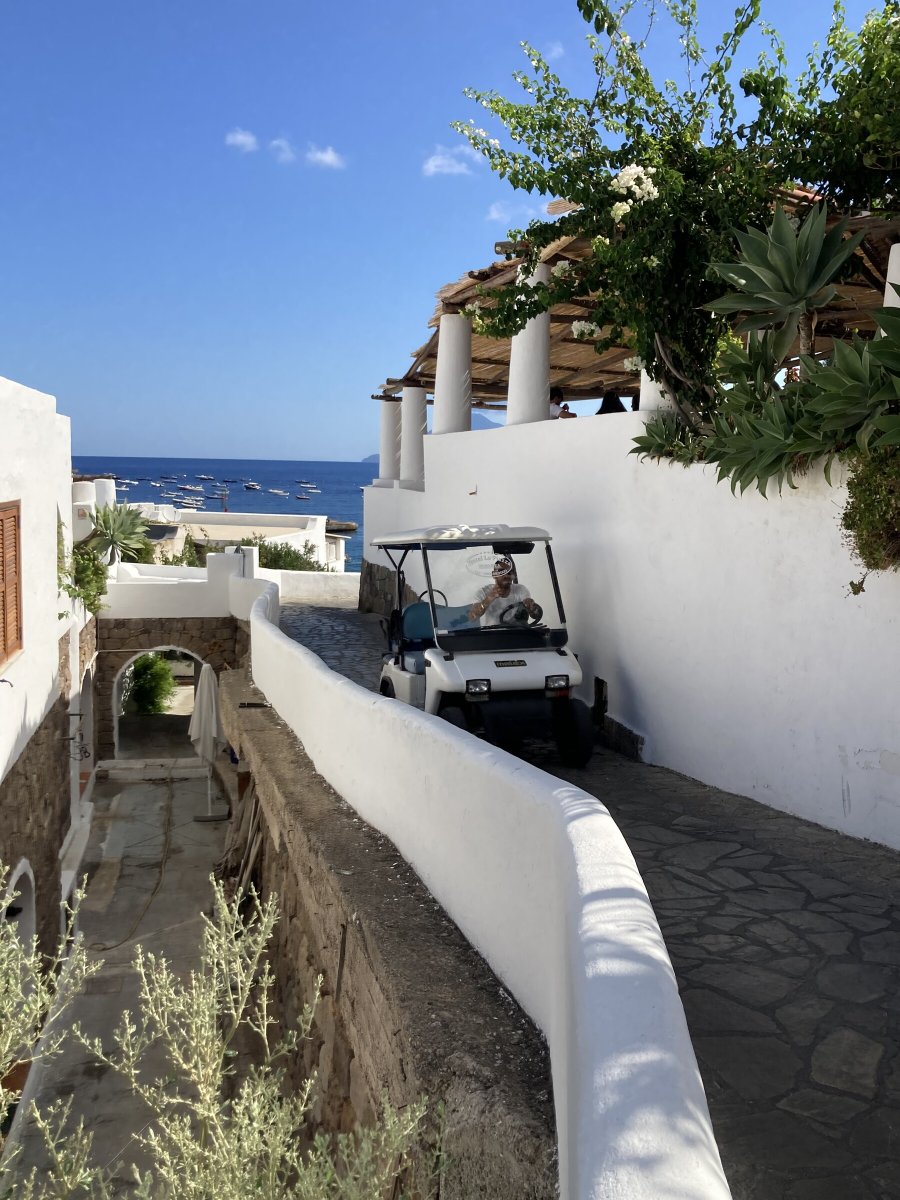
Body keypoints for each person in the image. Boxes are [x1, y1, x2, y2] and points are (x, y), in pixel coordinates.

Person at [469, 557, 542, 625]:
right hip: (491, 635)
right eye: (501, 572)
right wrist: (489, 598)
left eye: (509, 572)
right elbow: (472, 617)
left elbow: (534, 615)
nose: (506, 575)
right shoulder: (482, 592)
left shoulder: (521, 590)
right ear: (494, 575)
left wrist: (532, 608)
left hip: (514, 634)